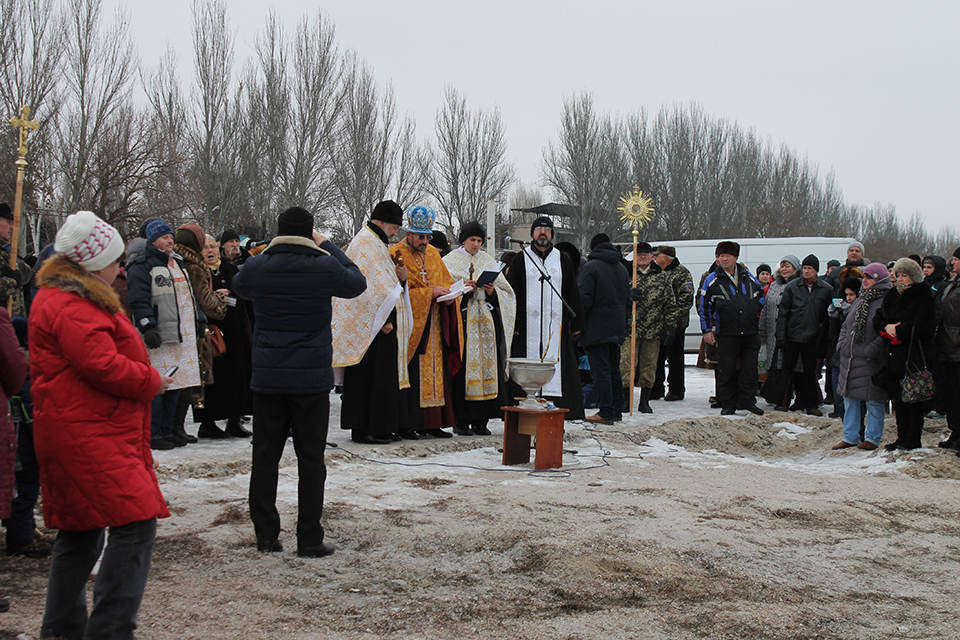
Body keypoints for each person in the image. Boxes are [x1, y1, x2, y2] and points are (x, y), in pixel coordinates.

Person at [30, 211, 172, 639]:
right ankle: (109, 632)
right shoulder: (70, 303)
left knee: (82, 530)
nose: (121, 268)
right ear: (93, 264)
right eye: (115, 260)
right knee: (136, 521)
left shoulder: (70, 297)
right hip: (87, 431)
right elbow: (102, 365)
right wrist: (151, 380)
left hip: (85, 427)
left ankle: (62, 631)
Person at [233, 206, 365, 557]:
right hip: (310, 379)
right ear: (310, 233)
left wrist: (267, 251)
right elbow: (356, 281)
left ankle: (265, 534)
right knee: (311, 460)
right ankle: (308, 537)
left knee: (264, 457)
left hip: (268, 378)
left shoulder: (259, 265)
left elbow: (239, 285)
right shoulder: (323, 265)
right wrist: (328, 245)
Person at [332, 200, 414, 444]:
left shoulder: (375, 242)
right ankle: (364, 429)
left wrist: (402, 280)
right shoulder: (366, 243)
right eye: (394, 227)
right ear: (381, 222)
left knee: (381, 377)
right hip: (374, 326)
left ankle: (380, 426)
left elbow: (386, 285)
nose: (395, 233)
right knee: (369, 377)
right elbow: (369, 289)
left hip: (379, 325)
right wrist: (386, 319)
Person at [126, 219, 204, 451]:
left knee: (178, 384)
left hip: (183, 333)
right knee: (159, 386)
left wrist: (199, 317)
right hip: (161, 334)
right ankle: (154, 432)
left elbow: (188, 295)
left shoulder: (176, 262)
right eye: (164, 237)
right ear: (152, 241)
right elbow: (138, 299)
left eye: (171, 236)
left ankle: (170, 430)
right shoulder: (142, 264)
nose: (170, 240)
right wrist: (148, 325)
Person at [390, 205, 463, 438]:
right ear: (408, 233)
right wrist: (428, 294)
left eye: (427, 236)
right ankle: (409, 423)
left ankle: (434, 423)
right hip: (411, 325)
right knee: (412, 373)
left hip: (434, 323)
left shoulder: (432, 253)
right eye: (420, 236)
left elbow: (447, 282)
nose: (424, 241)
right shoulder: (396, 254)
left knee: (436, 372)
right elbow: (394, 293)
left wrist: (450, 297)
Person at [506, 216, 585, 420]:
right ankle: (524, 403)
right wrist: (514, 322)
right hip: (526, 328)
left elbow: (571, 291)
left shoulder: (562, 259)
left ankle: (558, 403)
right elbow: (511, 293)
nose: (543, 233)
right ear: (532, 234)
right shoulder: (521, 258)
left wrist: (577, 322)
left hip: (555, 326)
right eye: (539, 229)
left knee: (558, 361)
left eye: (547, 230)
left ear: (552, 234)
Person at [444, 221, 516, 436]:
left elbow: (507, 293)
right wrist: (463, 289)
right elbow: (445, 289)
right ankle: (461, 421)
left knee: (487, 367)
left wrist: (492, 290)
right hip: (463, 320)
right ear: (463, 240)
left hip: (485, 321)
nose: (476, 244)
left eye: (479, 241)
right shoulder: (449, 261)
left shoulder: (487, 260)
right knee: (464, 368)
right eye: (472, 240)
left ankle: (481, 421)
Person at [193, 234, 254, 439]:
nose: (210, 251)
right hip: (213, 332)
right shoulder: (197, 272)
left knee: (238, 375)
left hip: (237, 331)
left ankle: (234, 420)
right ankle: (207, 423)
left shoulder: (229, 268)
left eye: (212, 247)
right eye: (205, 248)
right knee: (214, 378)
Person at [170, 223, 227, 443]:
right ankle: (174, 427)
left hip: (185, 325)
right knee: (189, 378)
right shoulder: (194, 265)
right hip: (194, 327)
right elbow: (205, 300)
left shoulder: (178, 261)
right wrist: (220, 300)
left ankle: (174, 427)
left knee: (184, 378)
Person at [873, 257, 936, 451]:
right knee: (897, 397)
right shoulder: (892, 294)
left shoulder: (923, 294)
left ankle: (913, 437)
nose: (900, 279)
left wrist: (899, 330)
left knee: (913, 397)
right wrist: (886, 327)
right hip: (892, 353)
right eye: (898, 275)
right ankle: (901, 435)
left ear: (914, 277)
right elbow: (878, 318)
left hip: (912, 353)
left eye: (905, 275)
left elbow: (925, 325)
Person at [699, 241, 765, 416]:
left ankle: (748, 401)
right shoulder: (712, 280)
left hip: (749, 331)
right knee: (726, 370)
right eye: (721, 256)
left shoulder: (748, 276)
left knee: (750, 369)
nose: (724, 259)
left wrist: (752, 308)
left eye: (728, 256)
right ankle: (728, 403)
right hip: (726, 332)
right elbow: (704, 307)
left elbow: (761, 296)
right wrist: (706, 330)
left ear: (735, 258)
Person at [832, 263, 892, 450]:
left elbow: (885, 330)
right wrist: (841, 344)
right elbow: (846, 324)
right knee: (849, 398)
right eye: (864, 277)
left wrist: (871, 351)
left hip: (869, 359)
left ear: (879, 279)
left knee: (873, 399)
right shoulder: (860, 300)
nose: (864, 280)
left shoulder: (886, 301)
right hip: (850, 358)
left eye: (869, 277)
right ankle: (851, 436)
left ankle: (872, 438)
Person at [772, 254, 833, 416]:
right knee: (786, 371)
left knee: (810, 373)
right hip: (792, 336)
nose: (806, 271)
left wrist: (823, 338)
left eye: (810, 269)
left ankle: (811, 404)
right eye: (804, 268)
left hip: (813, 339)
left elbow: (827, 317)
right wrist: (781, 337)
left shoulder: (826, 289)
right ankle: (782, 402)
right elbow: (783, 313)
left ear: (816, 271)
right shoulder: (792, 287)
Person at [578, 234, 629, 424]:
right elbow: (627, 299)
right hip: (616, 327)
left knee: (600, 371)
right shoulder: (622, 268)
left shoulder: (591, 267)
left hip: (596, 328)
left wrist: (578, 325)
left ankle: (606, 411)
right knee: (614, 370)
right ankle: (616, 409)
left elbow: (584, 299)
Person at [625, 241, 677, 413]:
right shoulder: (626, 274)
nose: (642, 257)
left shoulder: (661, 276)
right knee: (626, 365)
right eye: (639, 254)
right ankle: (626, 400)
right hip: (629, 329)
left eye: (646, 255)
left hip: (653, 330)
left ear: (652, 257)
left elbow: (670, 304)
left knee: (649, 367)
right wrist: (627, 296)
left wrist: (670, 327)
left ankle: (644, 400)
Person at [651, 245, 694, 402]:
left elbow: (686, 299)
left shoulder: (681, 273)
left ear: (664, 257)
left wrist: (672, 319)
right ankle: (656, 388)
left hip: (676, 325)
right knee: (657, 357)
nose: (653, 259)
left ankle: (676, 389)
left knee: (675, 358)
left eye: (656, 256)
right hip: (657, 324)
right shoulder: (656, 272)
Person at [758, 255, 800, 388]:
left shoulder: (799, 285)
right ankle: (774, 390)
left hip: (790, 332)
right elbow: (766, 307)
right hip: (772, 332)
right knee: (773, 363)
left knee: (788, 364)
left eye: (787, 266)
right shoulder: (774, 285)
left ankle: (788, 391)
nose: (784, 269)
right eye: (782, 266)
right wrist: (762, 330)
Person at [936, 248, 960, 452]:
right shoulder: (954, 284)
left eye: (956, 260)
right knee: (953, 394)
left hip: (957, 345)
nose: (952, 263)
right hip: (949, 347)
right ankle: (956, 432)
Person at [0, 203, 26, 318]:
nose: (12, 228)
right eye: (8, 222)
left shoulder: (7, 251)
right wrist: (12, 281)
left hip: (13, 325)